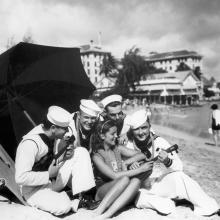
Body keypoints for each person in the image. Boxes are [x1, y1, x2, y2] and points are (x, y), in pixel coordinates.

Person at [125, 109, 219, 216]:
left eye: (144, 127)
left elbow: (179, 166)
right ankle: (169, 201)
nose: (141, 132)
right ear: (132, 131)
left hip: (159, 184)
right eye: (137, 129)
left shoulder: (160, 142)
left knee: (180, 177)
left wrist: (167, 161)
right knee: (165, 207)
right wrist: (129, 166)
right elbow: (119, 169)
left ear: (150, 126)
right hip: (139, 189)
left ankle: (209, 207)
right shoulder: (128, 144)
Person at [15, 106, 96, 216]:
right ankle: (70, 200)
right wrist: (48, 175)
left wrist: (64, 156)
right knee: (64, 206)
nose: (67, 131)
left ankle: (84, 197)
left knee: (80, 152)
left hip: (51, 182)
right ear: (53, 128)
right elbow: (20, 178)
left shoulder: (49, 134)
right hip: (32, 191)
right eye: (65, 128)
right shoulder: (29, 144)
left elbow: (50, 161)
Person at [91, 120, 154, 219]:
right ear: (102, 136)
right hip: (102, 192)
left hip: (120, 188)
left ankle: (107, 214)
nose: (116, 136)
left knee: (136, 181)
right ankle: (98, 212)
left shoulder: (117, 148)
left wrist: (127, 162)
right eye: (112, 134)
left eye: (116, 133)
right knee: (125, 179)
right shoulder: (97, 156)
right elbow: (114, 176)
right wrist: (140, 170)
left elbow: (142, 154)